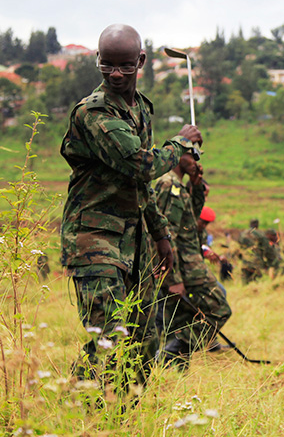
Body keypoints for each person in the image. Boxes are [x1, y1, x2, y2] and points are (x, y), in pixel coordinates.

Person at [60, 24, 202, 384]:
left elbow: (139, 185)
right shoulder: (94, 113)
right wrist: (181, 145)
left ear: (141, 60)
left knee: (144, 339)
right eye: (107, 65)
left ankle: (126, 416)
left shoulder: (139, 107)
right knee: (108, 336)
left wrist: (160, 235)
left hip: (133, 241)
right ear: (97, 60)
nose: (117, 74)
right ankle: (77, 412)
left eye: (125, 65)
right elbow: (141, 164)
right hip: (94, 238)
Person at [154, 153, 232, 368]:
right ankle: (169, 354)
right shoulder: (169, 186)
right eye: (192, 156)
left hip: (188, 267)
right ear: (179, 156)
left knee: (179, 320)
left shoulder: (181, 189)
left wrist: (196, 187)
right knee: (219, 307)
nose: (197, 162)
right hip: (183, 269)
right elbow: (168, 236)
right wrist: (173, 277)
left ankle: (176, 370)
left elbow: (190, 221)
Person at [237, 219, 276, 284]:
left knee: (245, 282)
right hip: (256, 262)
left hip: (245, 262)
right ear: (257, 225)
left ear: (250, 224)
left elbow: (238, 248)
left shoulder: (242, 234)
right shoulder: (260, 234)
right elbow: (267, 249)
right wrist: (270, 262)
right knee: (256, 281)